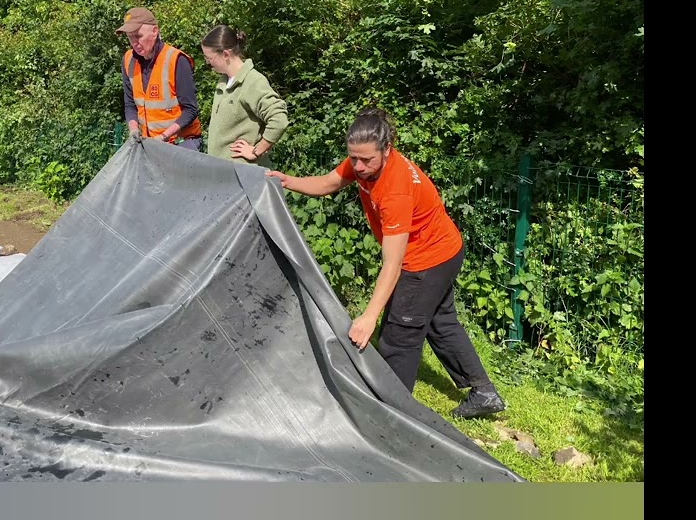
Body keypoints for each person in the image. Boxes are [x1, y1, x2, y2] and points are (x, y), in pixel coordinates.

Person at [265, 108, 506, 419]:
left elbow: (393, 265)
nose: (359, 167)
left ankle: (393, 413)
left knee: (399, 334)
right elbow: (328, 183)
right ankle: (484, 393)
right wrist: (287, 181)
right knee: (440, 322)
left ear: (387, 149)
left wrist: (368, 316)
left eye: (367, 160)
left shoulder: (396, 189)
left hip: (428, 259)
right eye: (354, 158)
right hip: (444, 249)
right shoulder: (365, 159)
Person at [199, 25, 288, 166]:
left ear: (226, 55)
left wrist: (257, 151)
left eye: (210, 58)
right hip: (223, 175)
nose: (208, 63)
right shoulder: (224, 81)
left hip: (244, 177)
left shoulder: (252, 81)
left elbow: (279, 119)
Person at [116, 6, 203, 150]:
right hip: (151, 144)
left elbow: (191, 110)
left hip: (182, 143)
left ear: (155, 31)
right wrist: (133, 130)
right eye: (130, 37)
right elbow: (130, 104)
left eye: (138, 36)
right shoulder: (128, 60)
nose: (134, 42)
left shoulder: (176, 60)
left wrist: (163, 137)